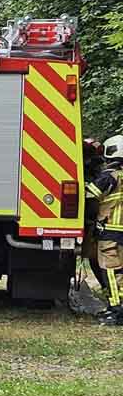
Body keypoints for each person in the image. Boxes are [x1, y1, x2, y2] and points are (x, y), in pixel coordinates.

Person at [87, 134, 123, 326]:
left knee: (110, 270)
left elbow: (91, 194)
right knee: (120, 271)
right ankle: (116, 307)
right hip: (119, 231)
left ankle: (117, 311)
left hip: (111, 230)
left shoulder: (110, 176)